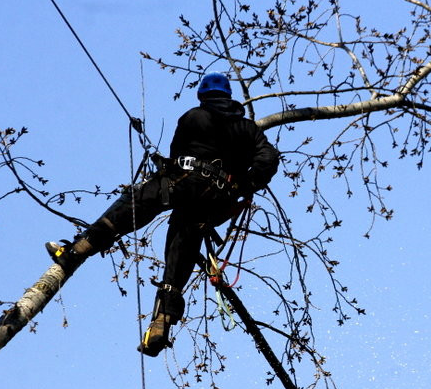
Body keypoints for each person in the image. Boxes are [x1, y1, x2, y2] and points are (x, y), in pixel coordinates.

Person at [46, 72, 280, 356]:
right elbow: (268, 159)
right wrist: (243, 184)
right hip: (214, 198)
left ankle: (78, 249)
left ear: (203, 95)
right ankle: (161, 323)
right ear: (229, 96)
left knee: (131, 206)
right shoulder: (248, 129)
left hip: (182, 182)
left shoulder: (194, 116)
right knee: (181, 248)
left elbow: (176, 153)